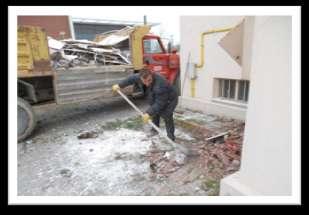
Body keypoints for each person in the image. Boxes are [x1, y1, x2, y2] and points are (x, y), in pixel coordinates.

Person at [112, 68, 178, 141]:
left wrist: (148, 113)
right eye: (144, 81)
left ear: (151, 75)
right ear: (141, 78)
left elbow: (160, 103)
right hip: (157, 96)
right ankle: (154, 130)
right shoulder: (141, 76)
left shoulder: (160, 84)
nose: (147, 84)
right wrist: (120, 85)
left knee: (166, 115)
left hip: (170, 99)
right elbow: (130, 79)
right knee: (155, 113)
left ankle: (171, 137)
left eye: (149, 80)